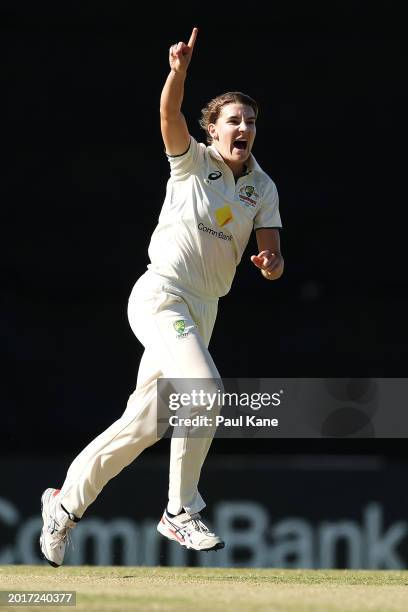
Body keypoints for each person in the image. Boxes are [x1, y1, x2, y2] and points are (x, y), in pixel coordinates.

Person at [39, 27, 284, 567]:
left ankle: (62, 506)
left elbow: (273, 256)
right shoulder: (192, 161)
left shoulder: (262, 188)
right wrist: (178, 73)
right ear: (213, 130)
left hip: (204, 308)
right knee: (206, 390)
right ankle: (180, 510)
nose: (244, 128)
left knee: (142, 426)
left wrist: (270, 264)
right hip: (161, 296)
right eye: (233, 121)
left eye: (250, 121)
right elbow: (168, 117)